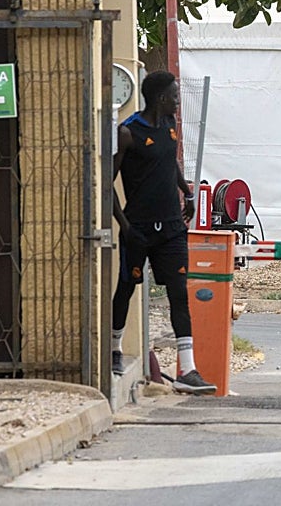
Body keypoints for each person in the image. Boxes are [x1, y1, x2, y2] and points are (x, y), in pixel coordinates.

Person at [110, 70, 216, 395]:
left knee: (178, 294)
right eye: (174, 95)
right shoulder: (128, 133)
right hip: (138, 229)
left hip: (171, 227)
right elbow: (105, 184)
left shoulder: (170, 127)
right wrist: (124, 228)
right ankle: (114, 351)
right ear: (160, 98)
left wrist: (187, 193)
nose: (178, 100)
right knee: (125, 288)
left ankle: (189, 370)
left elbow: (170, 165)